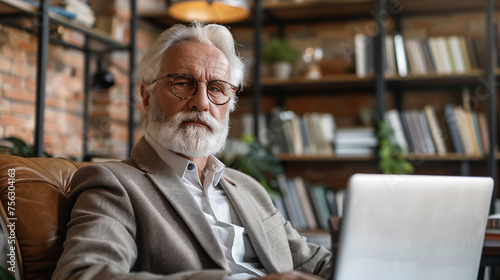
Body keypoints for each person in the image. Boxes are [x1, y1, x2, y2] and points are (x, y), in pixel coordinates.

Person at [52, 22, 332, 280]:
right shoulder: (114, 183)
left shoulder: (248, 187)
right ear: (147, 97)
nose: (201, 102)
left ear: (228, 105)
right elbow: (83, 274)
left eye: (217, 88)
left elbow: (317, 264)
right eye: (183, 83)